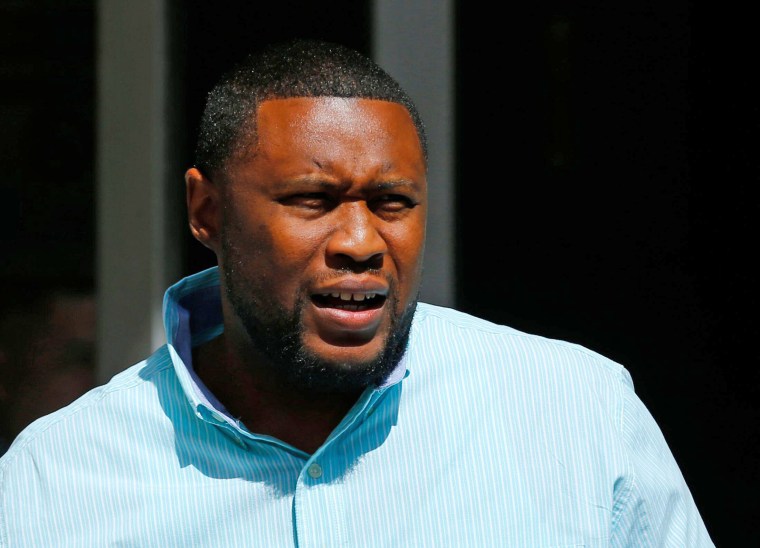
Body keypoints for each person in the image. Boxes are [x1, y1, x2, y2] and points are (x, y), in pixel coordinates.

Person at [0, 38, 714, 547]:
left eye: (393, 202)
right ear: (208, 213)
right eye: (312, 199)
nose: (361, 242)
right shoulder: (54, 482)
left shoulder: (578, 419)